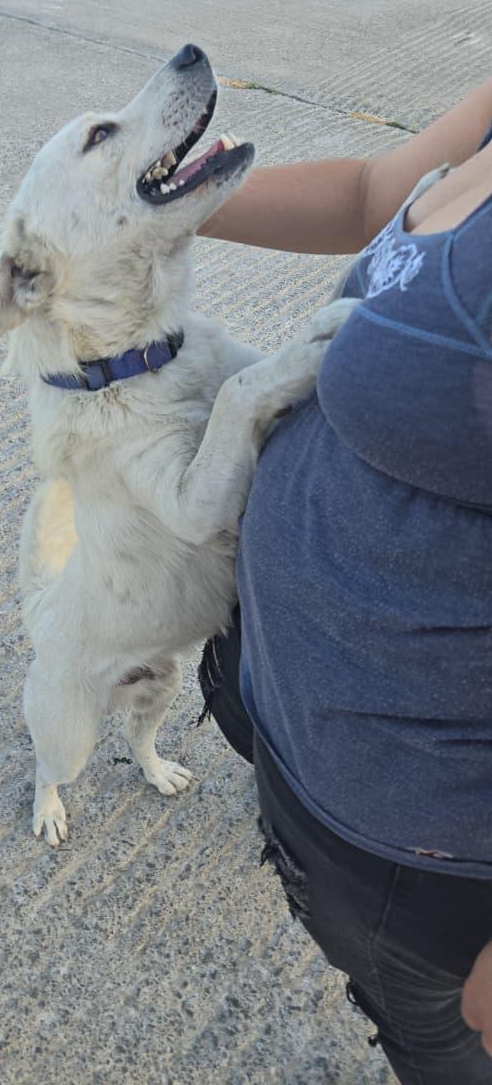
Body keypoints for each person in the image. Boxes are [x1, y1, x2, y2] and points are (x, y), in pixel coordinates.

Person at [197, 80, 492, 1084]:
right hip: (306, 725)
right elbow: (370, 193)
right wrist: (151, 197)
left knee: (434, 1038)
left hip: (422, 848)